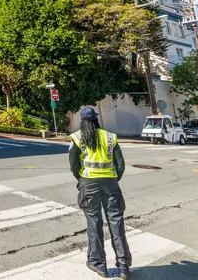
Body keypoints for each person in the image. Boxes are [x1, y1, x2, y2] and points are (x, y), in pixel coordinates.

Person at [69, 107, 131, 279]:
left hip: (88, 184)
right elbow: (120, 165)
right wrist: (112, 179)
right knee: (116, 222)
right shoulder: (110, 137)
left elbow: (73, 165)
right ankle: (124, 265)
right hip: (110, 184)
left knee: (94, 222)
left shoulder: (77, 138)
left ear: (82, 121)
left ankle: (98, 263)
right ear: (96, 119)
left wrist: (81, 179)